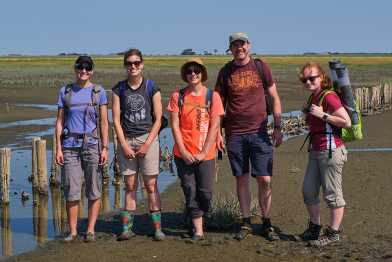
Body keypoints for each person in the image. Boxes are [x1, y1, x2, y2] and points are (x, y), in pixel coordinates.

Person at [215, 32, 283, 241]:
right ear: (231, 49)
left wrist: (278, 126)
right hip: (235, 133)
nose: (239, 48)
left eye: (242, 44)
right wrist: (217, 132)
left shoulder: (261, 67)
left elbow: (274, 97)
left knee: (264, 178)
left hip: (260, 133)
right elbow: (218, 104)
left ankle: (266, 221)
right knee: (241, 178)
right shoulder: (225, 72)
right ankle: (245, 222)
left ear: (249, 46)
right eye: (235, 45)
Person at [167, 58, 224, 241]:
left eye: (196, 71)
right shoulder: (178, 96)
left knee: (205, 193)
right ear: (185, 74)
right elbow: (174, 126)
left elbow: (215, 126)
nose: (193, 74)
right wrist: (184, 152)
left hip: (206, 154)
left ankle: (196, 214)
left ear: (202, 73)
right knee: (190, 189)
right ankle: (198, 230)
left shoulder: (212, 96)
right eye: (189, 71)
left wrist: (203, 151)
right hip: (183, 154)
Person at [112, 48, 165, 241]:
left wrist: (147, 144)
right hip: (127, 140)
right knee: (130, 185)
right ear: (125, 66)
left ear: (141, 65)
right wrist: (124, 144)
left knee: (150, 185)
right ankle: (127, 228)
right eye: (129, 64)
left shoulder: (152, 87)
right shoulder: (119, 89)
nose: (133, 66)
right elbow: (116, 120)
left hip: (147, 138)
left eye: (136, 63)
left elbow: (158, 119)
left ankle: (157, 228)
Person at [55, 55, 109, 242]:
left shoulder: (99, 92)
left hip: (92, 145)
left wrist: (105, 148)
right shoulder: (65, 91)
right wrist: (58, 149)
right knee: (71, 190)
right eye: (80, 67)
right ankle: (73, 231)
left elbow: (104, 122)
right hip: (70, 146)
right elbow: (60, 121)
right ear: (75, 69)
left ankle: (91, 230)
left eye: (87, 68)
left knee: (94, 189)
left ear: (92, 71)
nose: (83, 71)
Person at [298, 62, 350, 246]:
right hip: (316, 150)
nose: (308, 82)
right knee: (309, 191)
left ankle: (333, 232)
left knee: (333, 194)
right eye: (305, 79)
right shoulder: (314, 97)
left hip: (331, 150)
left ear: (322, 77)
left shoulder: (330, 97)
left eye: (312, 78)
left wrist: (323, 115)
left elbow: (346, 122)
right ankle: (315, 227)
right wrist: (309, 114)